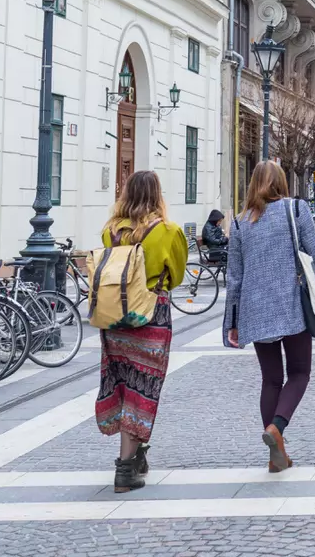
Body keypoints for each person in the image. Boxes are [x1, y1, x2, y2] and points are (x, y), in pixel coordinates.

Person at [225, 161, 315, 474]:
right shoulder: (296, 209)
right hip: (292, 304)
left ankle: (276, 454)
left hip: (254, 308)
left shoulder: (238, 223)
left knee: (271, 379)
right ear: (282, 183)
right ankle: (276, 428)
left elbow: (234, 278)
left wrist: (232, 322)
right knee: (299, 373)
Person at [95, 170, 190, 493]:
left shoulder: (110, 231)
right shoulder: (168, 231)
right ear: (157, 195)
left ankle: (136, 457)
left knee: (124, 387)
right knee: (143, 389)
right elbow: (175, 277)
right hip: (150, 318)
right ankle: (125, 468)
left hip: (114, 323)